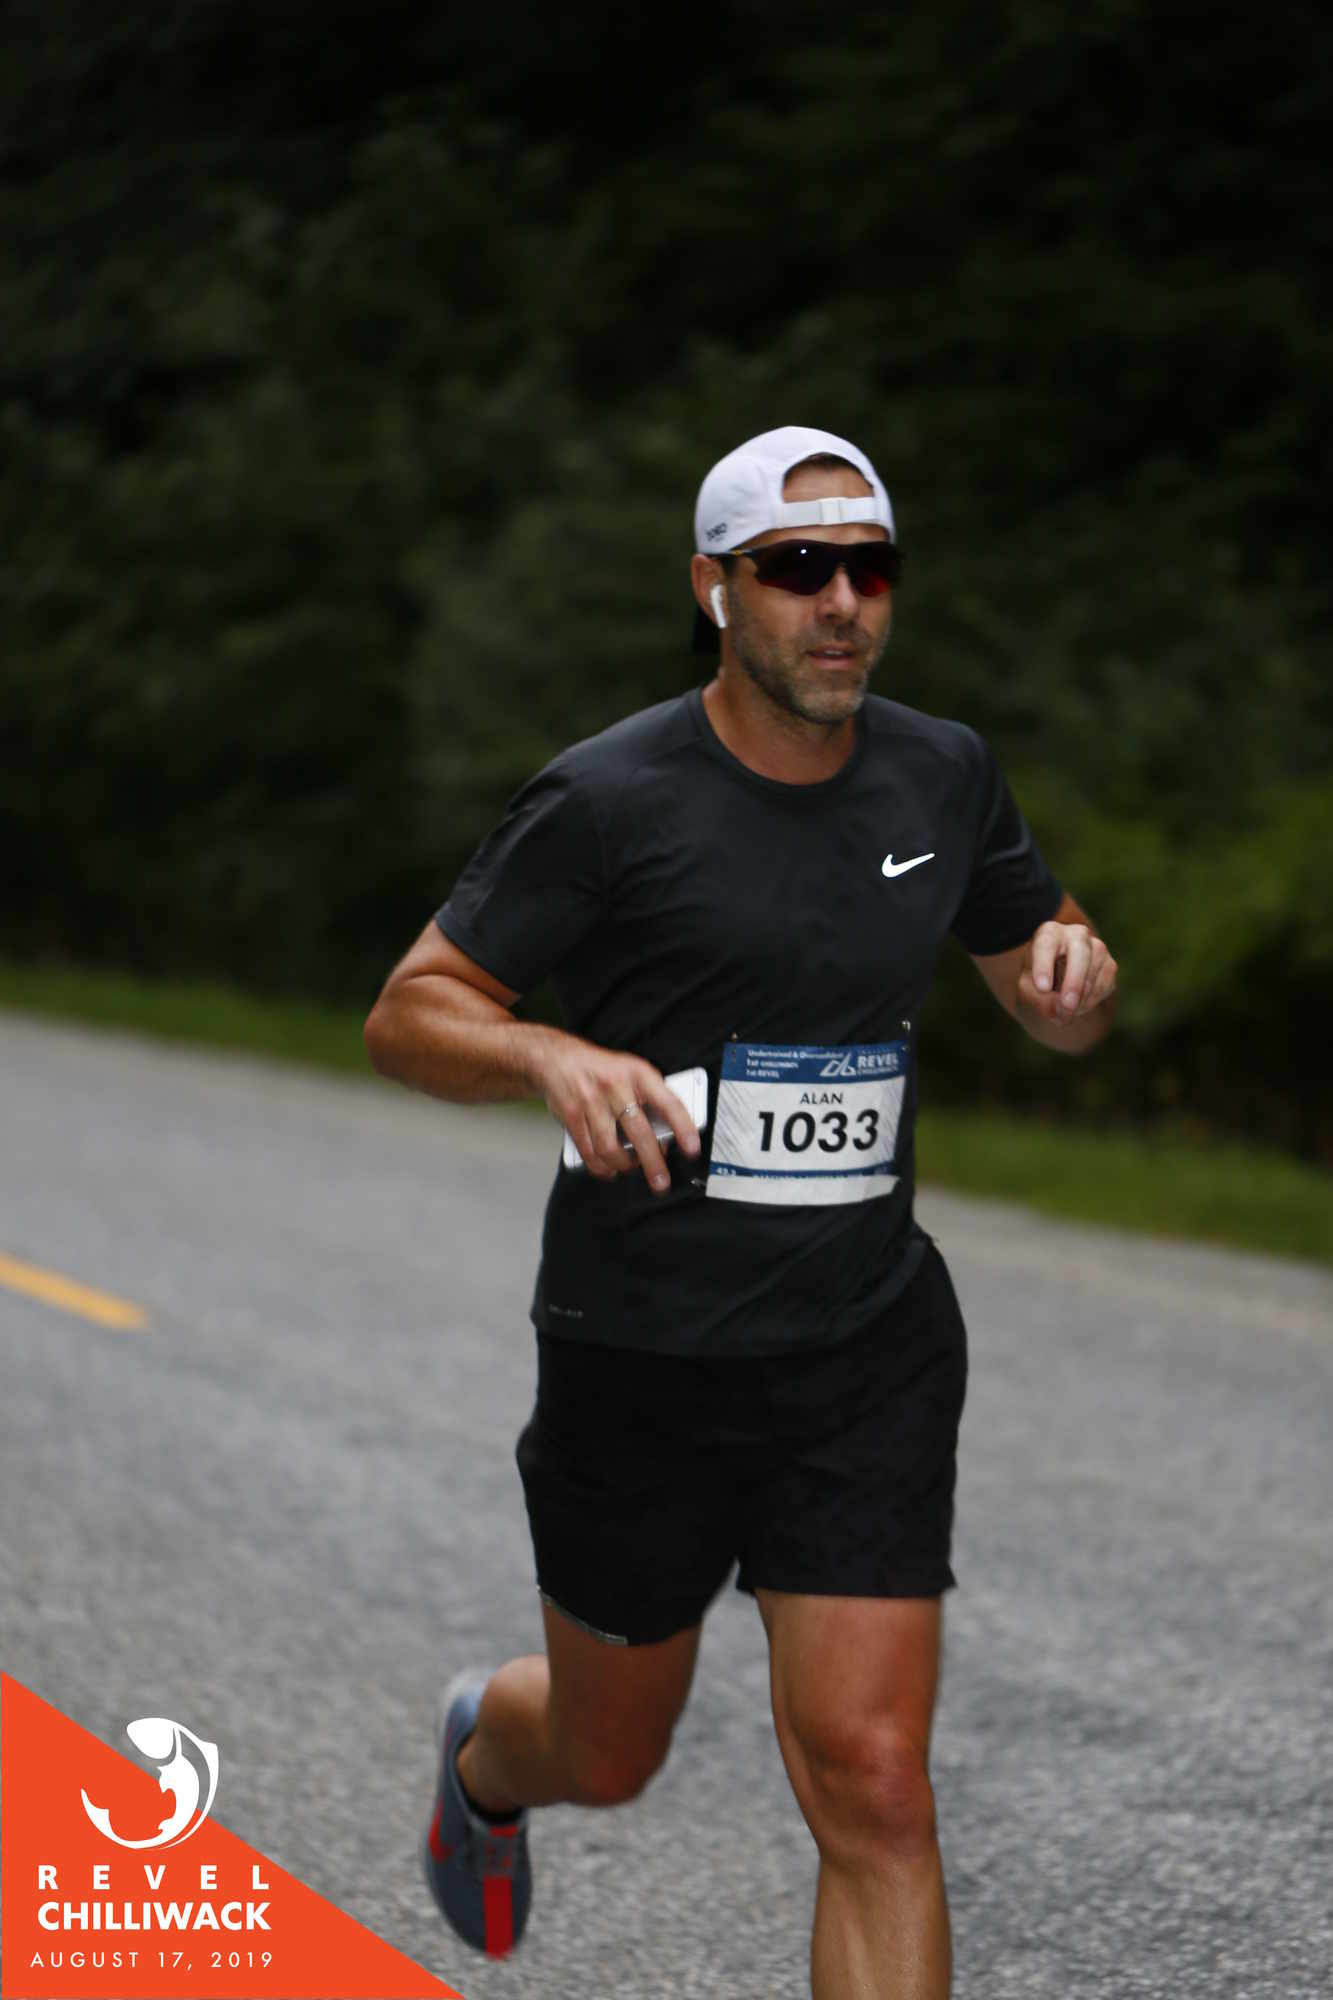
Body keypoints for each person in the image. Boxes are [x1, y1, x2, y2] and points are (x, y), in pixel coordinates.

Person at [364, 426, 1118, 1999]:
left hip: (861, 1343)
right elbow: (410, 1012)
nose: (840, 602)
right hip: (642, 1350)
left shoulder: (940, 770)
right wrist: (546, 1053)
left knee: (874, 1784)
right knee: (607, 1751)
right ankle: (488, 1760)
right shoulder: (607, 798)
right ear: (714, 589)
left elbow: (1041, 975)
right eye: (796, 569)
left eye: (869, 569)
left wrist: (1069, 979)